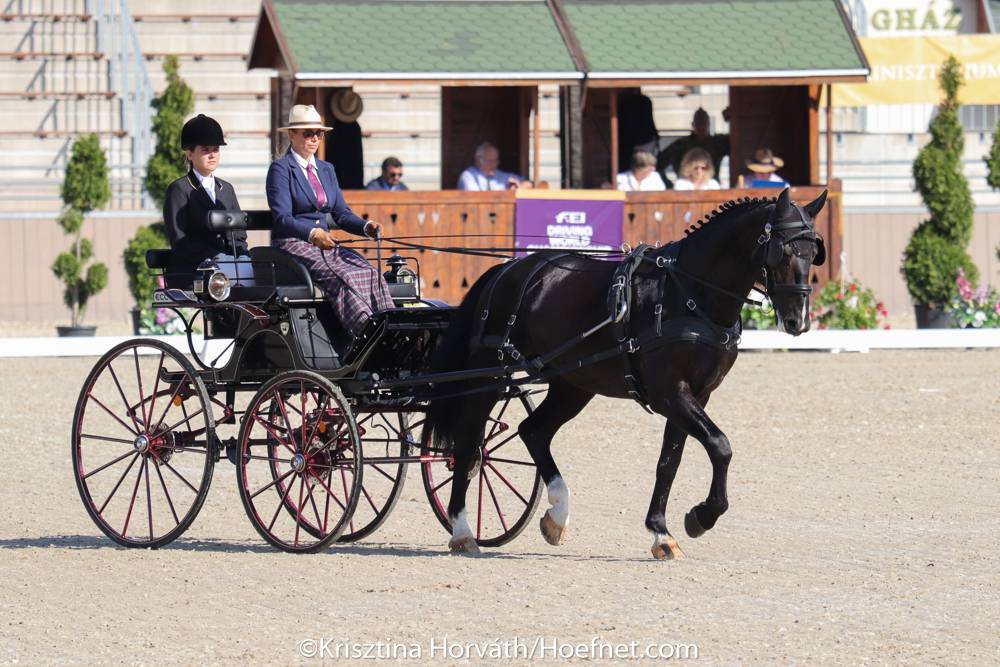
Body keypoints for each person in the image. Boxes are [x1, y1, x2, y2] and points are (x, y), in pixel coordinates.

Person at [265, 104, 393, 336]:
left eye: (319, 133)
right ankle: (364, 332)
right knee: (344, 276)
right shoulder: (281, 169)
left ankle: (388, 325)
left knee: (370, 271)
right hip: (294, 243)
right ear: (292, 134)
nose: (314, 138)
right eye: (308, 133)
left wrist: (366, 227)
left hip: (325, 243)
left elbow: (341, 214)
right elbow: (282, 218)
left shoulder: (326, 169)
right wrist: (312, 234)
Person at [163, 113, 254, 286]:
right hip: (194, 268)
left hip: (227, 264)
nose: (212, 155)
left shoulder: (226, 189)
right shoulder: (179, 189)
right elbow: (179, 239)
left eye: (216, 149)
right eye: (205, 150)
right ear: (190, 154)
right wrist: (215, 257)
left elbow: (238, 231)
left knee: (261, 276)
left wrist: (242, 255)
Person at [656, 107, 730, 181]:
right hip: (686, 187)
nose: (701, 126)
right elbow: (658, 164)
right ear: (693, 125)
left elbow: (737, 142)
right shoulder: (680, 145)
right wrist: (668, 184)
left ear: (708, 124)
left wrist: (730, 118)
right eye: (698, 123)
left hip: (711, 185)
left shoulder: (718, 143)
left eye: (703, 123)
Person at [457, 142, 532, 190]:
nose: (494, 165)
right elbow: (476, 197)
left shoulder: (501, 175)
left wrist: (519, 186)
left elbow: (528, 183)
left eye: (496, 161)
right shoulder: (468, 176)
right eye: (490, 161)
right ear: (478, 161)